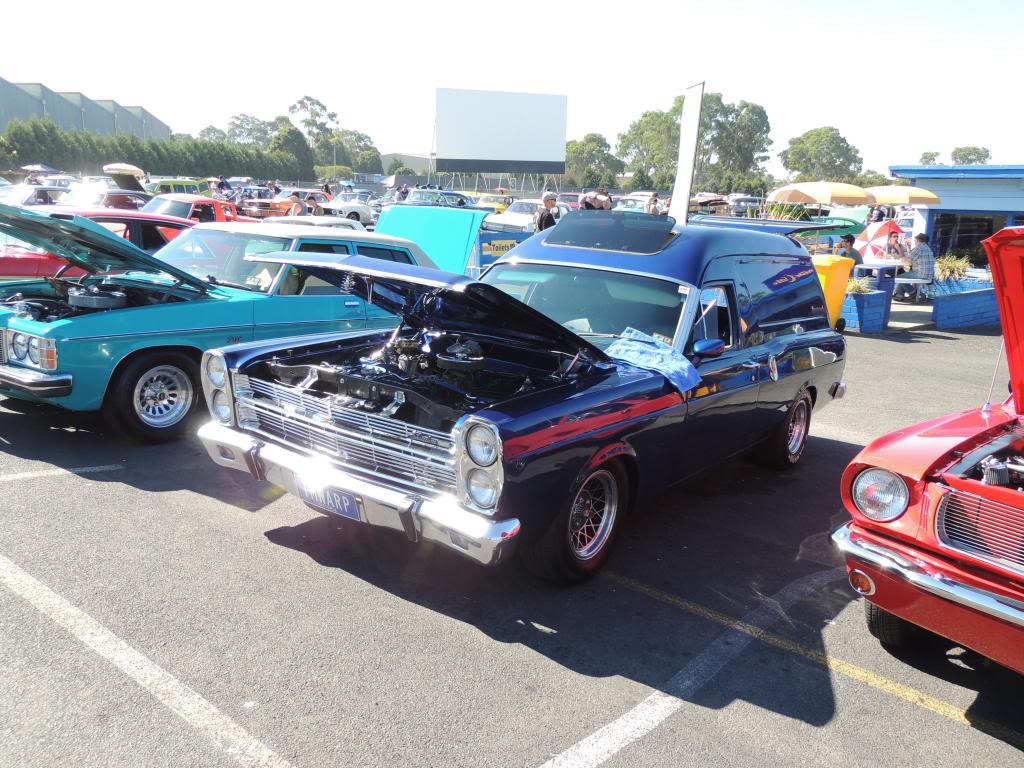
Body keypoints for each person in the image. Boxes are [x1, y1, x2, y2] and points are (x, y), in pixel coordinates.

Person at [895, 233, 935, 301]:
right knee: (903, 276)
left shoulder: (918, 248)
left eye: (915, 240)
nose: (914, 241)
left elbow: (907, 261)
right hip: (929, 275)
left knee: (898, 276)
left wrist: (899, 252)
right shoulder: (927, 248)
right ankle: (899, 295)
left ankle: (913, 293)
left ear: (918, 240)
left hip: (921, 274)